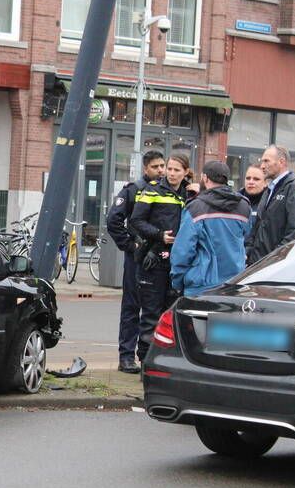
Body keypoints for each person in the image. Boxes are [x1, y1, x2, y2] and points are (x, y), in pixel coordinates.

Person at [106, 150, 166, 374]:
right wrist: (130, 246)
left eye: (163, 166)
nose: (160, 171)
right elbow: (113, 220)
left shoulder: (167, 191)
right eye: (156, 167)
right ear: (145, 168)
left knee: (154, 310)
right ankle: (126, 357)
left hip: (159, 258)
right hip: (138, 258)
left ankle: (148, 355)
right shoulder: (133, 190)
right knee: (132, 307)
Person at [130, 152, 190, 362]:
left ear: (185, 172)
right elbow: (136, 220)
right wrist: (159, 235)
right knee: (150, 313)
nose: (171, 173)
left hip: (177, 261)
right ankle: (146, 360)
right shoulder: (152, 189)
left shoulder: (188, 194)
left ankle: (164, 359)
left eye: (176, 170)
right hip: (153, 259)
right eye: (169, 169)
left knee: (170, 313)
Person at [170, 160, 251, 297]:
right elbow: (246, 239)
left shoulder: (195, 208)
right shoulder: (243, 205)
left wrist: (177, 282)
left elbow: (183, 251)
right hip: (234, 283)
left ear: (205, 178)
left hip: (201, 286)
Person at [245, 144, 295, 265]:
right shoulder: (270, 189)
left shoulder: (294, 188)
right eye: (262, 161)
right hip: (257, 265)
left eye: (266, 161)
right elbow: (258, 229)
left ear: (281, 162)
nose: (262, 166)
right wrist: (248, 253)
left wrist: (273, 260)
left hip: (274, 267)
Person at [238, 163, 265, 230]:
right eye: (248, 178)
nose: (251, 182)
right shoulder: (234, 201)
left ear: (266, 183)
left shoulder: (271, 204)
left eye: (256, 179)